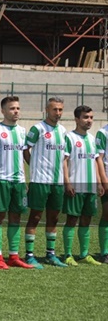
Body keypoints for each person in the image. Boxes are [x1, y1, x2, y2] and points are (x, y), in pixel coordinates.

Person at [0, 96, 34, 269]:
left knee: (16, 217)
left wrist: (27, 178)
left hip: (18, 181)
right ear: (3, 111)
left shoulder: (22, 131)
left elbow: (24, 155)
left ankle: (13, 255)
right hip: (0, 179)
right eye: (12, 108)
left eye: (18, 108)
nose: (16, 111)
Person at [23, 97, 68, 268]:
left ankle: (51, 254)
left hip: (57, 182)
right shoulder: (38, 128)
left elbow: (64, 157)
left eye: (60, 110)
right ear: (46, 110)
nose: (58, 113)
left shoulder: (63, 131)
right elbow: (25, 149)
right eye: (54, 109)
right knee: (35, 217)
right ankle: (29, 255)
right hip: (40, 180)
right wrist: (33, 166)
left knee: (54, 218)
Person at [61, 105, 104, 266]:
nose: (89, 121)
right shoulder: (69, 138)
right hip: (76, 186)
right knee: (72, 220)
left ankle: (84, 254)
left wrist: (99, 183)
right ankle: (67, 254)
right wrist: (67, 182)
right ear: (77, 119)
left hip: (90, 187)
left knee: (86, 220)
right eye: (86, 117)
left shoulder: (93, 139)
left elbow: (95, 161)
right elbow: (64, 161)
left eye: (91, 117)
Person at [97, 121, 108, 263]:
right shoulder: (103, 132)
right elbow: (98, 158)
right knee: (107, 213)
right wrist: (103, 180)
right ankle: (105, 252)